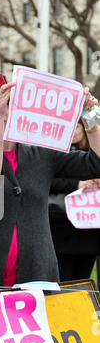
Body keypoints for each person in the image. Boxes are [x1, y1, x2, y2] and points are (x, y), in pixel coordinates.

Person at [0, 81, 100, 296]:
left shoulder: (43, 154)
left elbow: (95, 163)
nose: (12, 115)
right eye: (8, 109)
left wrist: (90, 115)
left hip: (37, 273)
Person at [49, 119, 100, 281]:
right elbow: (47, 181)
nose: (73, 131)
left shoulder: (95, 153)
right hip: (62, 222)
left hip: (89, 225)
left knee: (83, 280)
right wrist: (77, 184)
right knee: (64, 280)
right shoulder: (56, 152)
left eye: (76, 126)